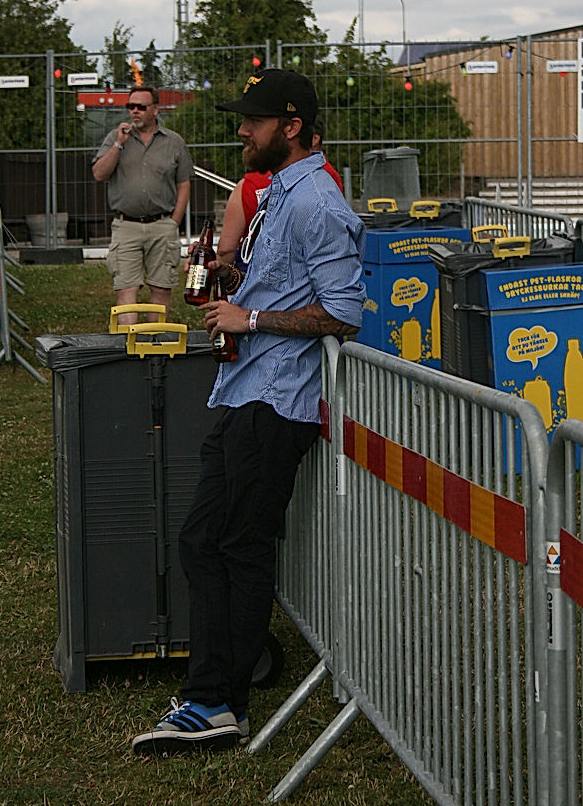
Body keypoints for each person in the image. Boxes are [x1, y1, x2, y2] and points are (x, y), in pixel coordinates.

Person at [132, 68, 366, 755]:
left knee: (234, 546)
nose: (242, 130)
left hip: (277, 402)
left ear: (290, 127)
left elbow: (343, 313)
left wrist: (251, 317)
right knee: (204, 542)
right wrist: (233, 279)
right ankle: (211, 695)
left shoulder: (317, 201)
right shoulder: (281, 191)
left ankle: (216, 703)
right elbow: (287, 285)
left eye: (253, 120)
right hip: (246, 391)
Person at [92, 85, 193, 323]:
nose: (134, 111)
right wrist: (118, 144)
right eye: (131, 106)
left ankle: (155, 340)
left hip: (162, 224)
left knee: (161, 288)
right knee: (126, 288)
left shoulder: (173, 142)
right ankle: (130, 342)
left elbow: (184, 183)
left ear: (155, 110)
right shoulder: (116, 138)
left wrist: (174, 222)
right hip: (126, 225)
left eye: (141, 107)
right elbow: (99, 173)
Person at [215, 118, 344, 267]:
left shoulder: (248, 184)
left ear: (292, 129)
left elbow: (225, 250)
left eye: (256, 121)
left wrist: (221, 267)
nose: (242, 131)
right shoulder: (329, 179)